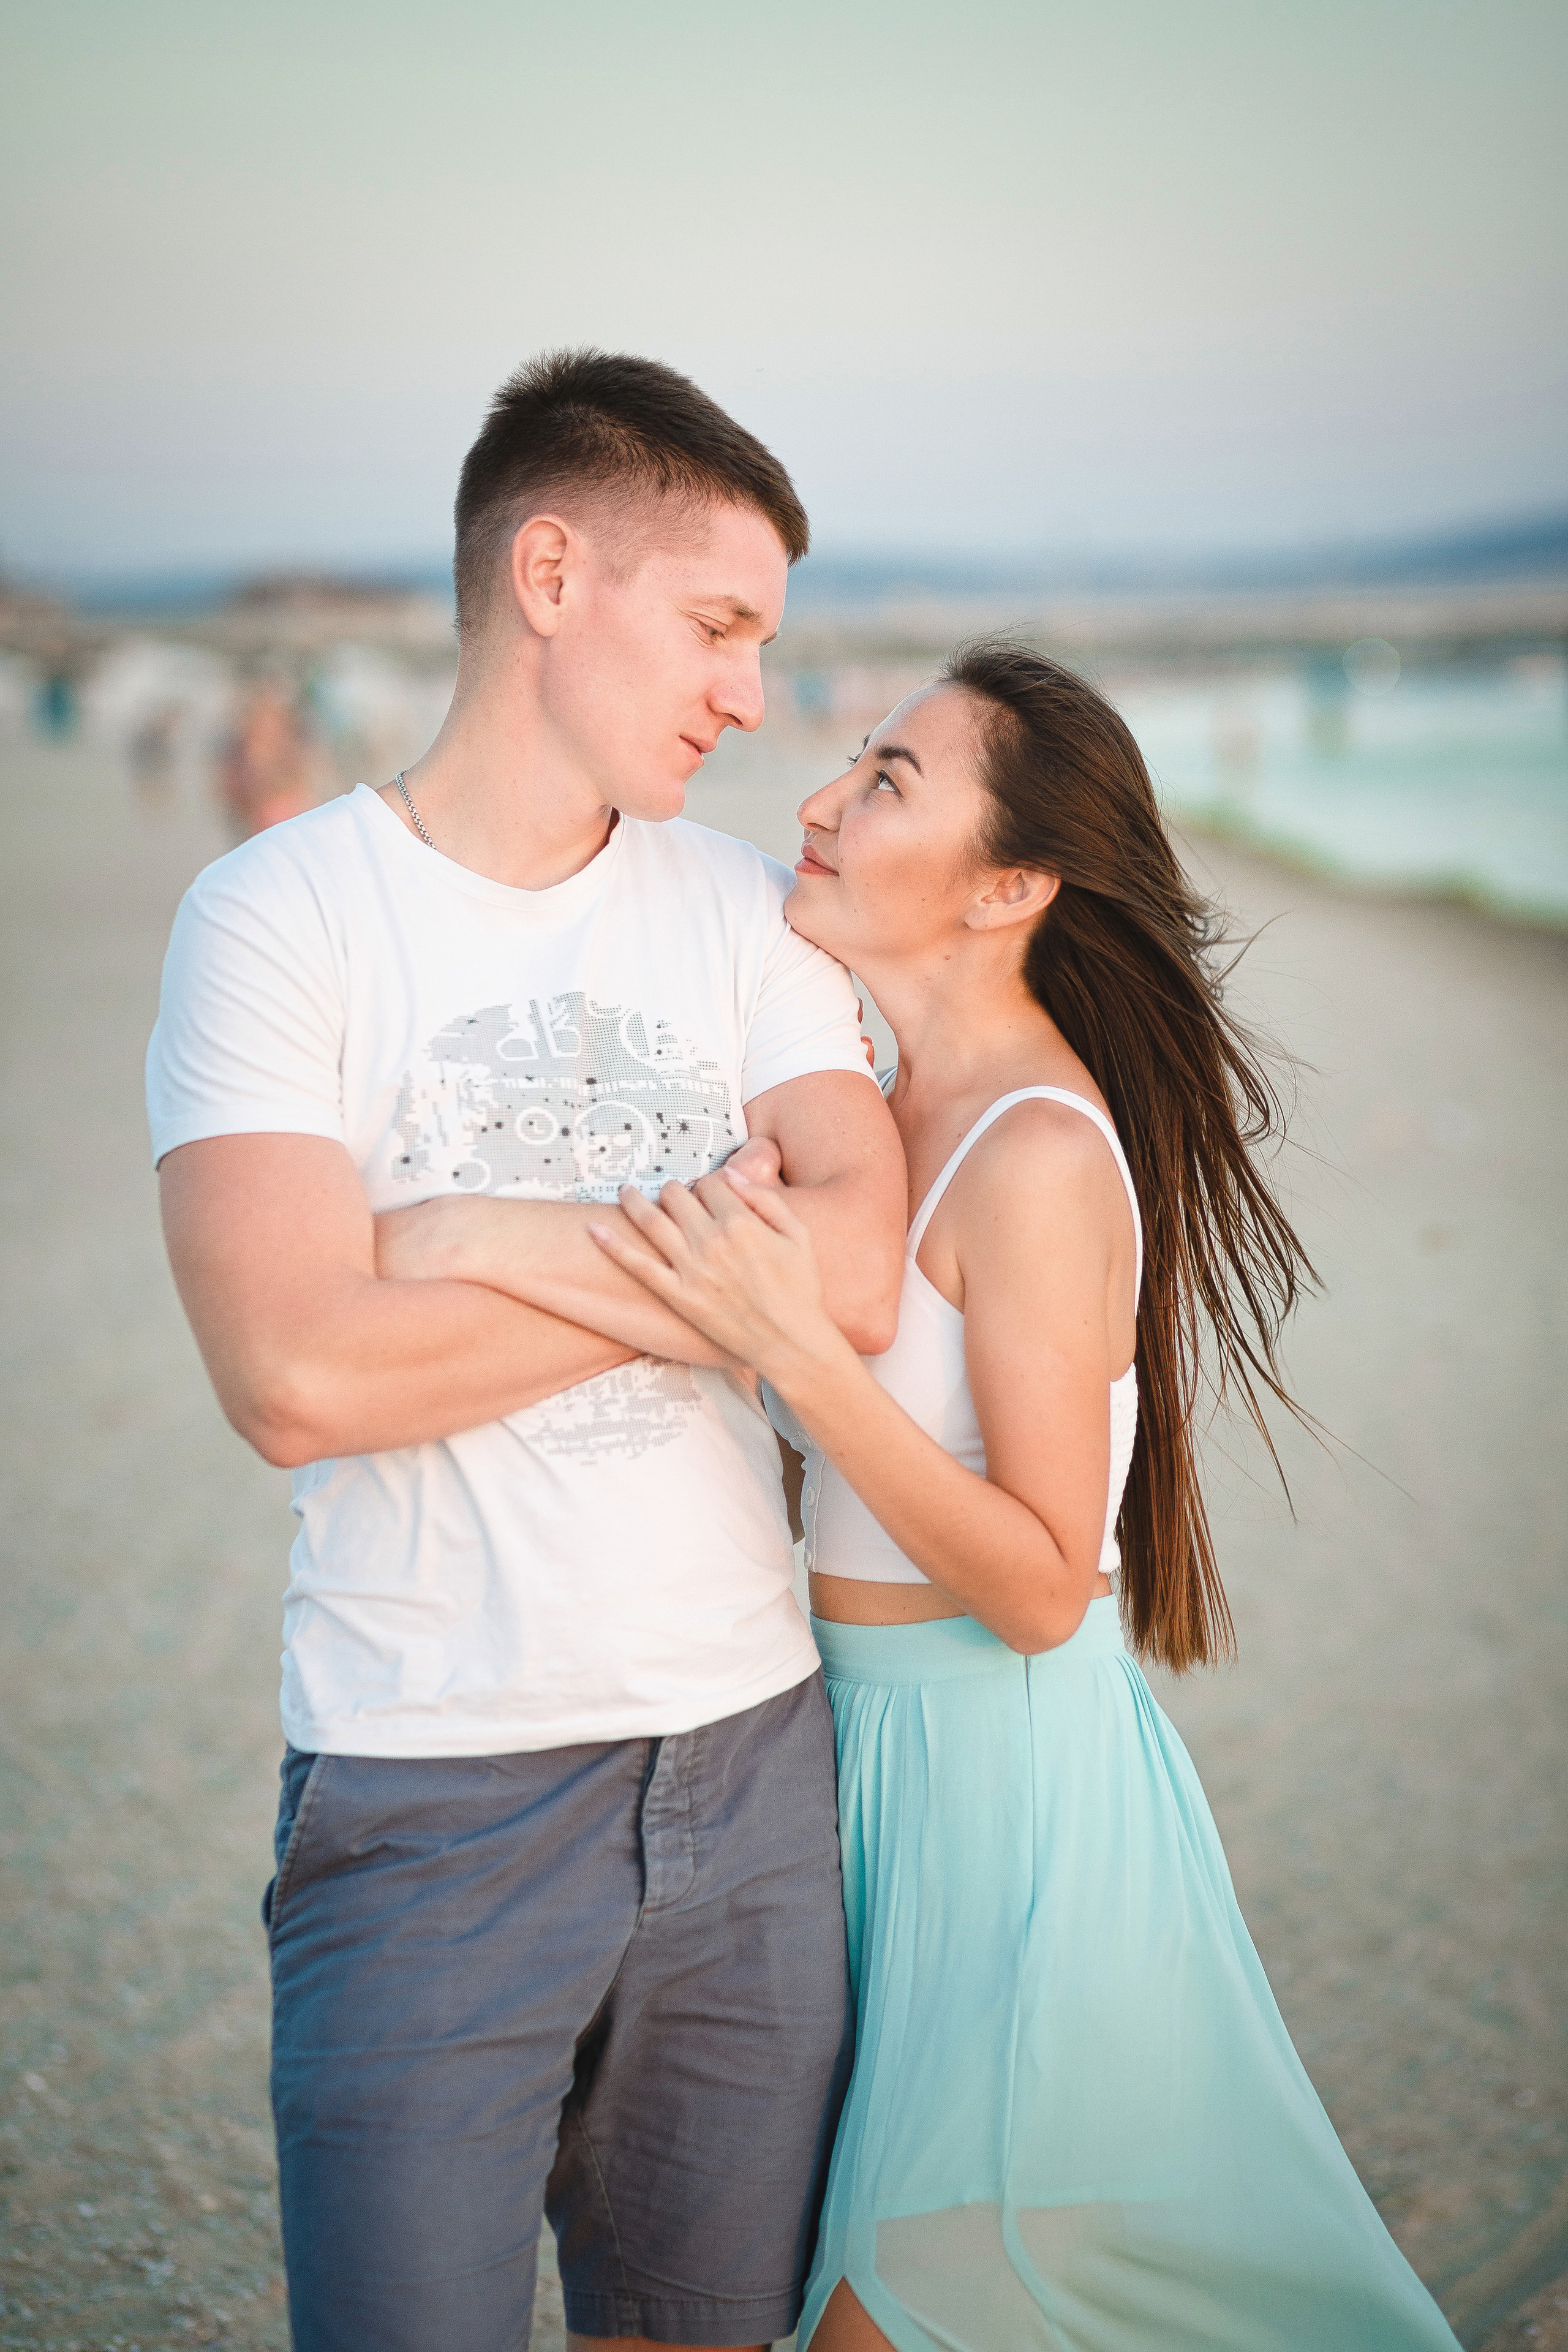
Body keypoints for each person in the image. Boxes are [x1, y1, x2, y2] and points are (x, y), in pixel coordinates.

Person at [559, 641, 1463, 2350]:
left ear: (1015, 883)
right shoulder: (887, 1115)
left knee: (902, 2308)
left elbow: (1051, 1583)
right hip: (851, 1774)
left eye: (892, 780)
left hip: (1009, 1806)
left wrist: (797, 1359)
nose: (822, 802)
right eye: (854, 767)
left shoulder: (1036, 1153)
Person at [146, 350, 907, 2352]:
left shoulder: (751, 916)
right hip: (427, 1790)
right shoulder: (278, 916)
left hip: (752, 1771)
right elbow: (296, 1377)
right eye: (721, 625)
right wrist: (701, 1258)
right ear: (551, 572)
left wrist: (478, 1243)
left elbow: (856, 1282)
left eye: (764, 643)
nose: (752, 693)